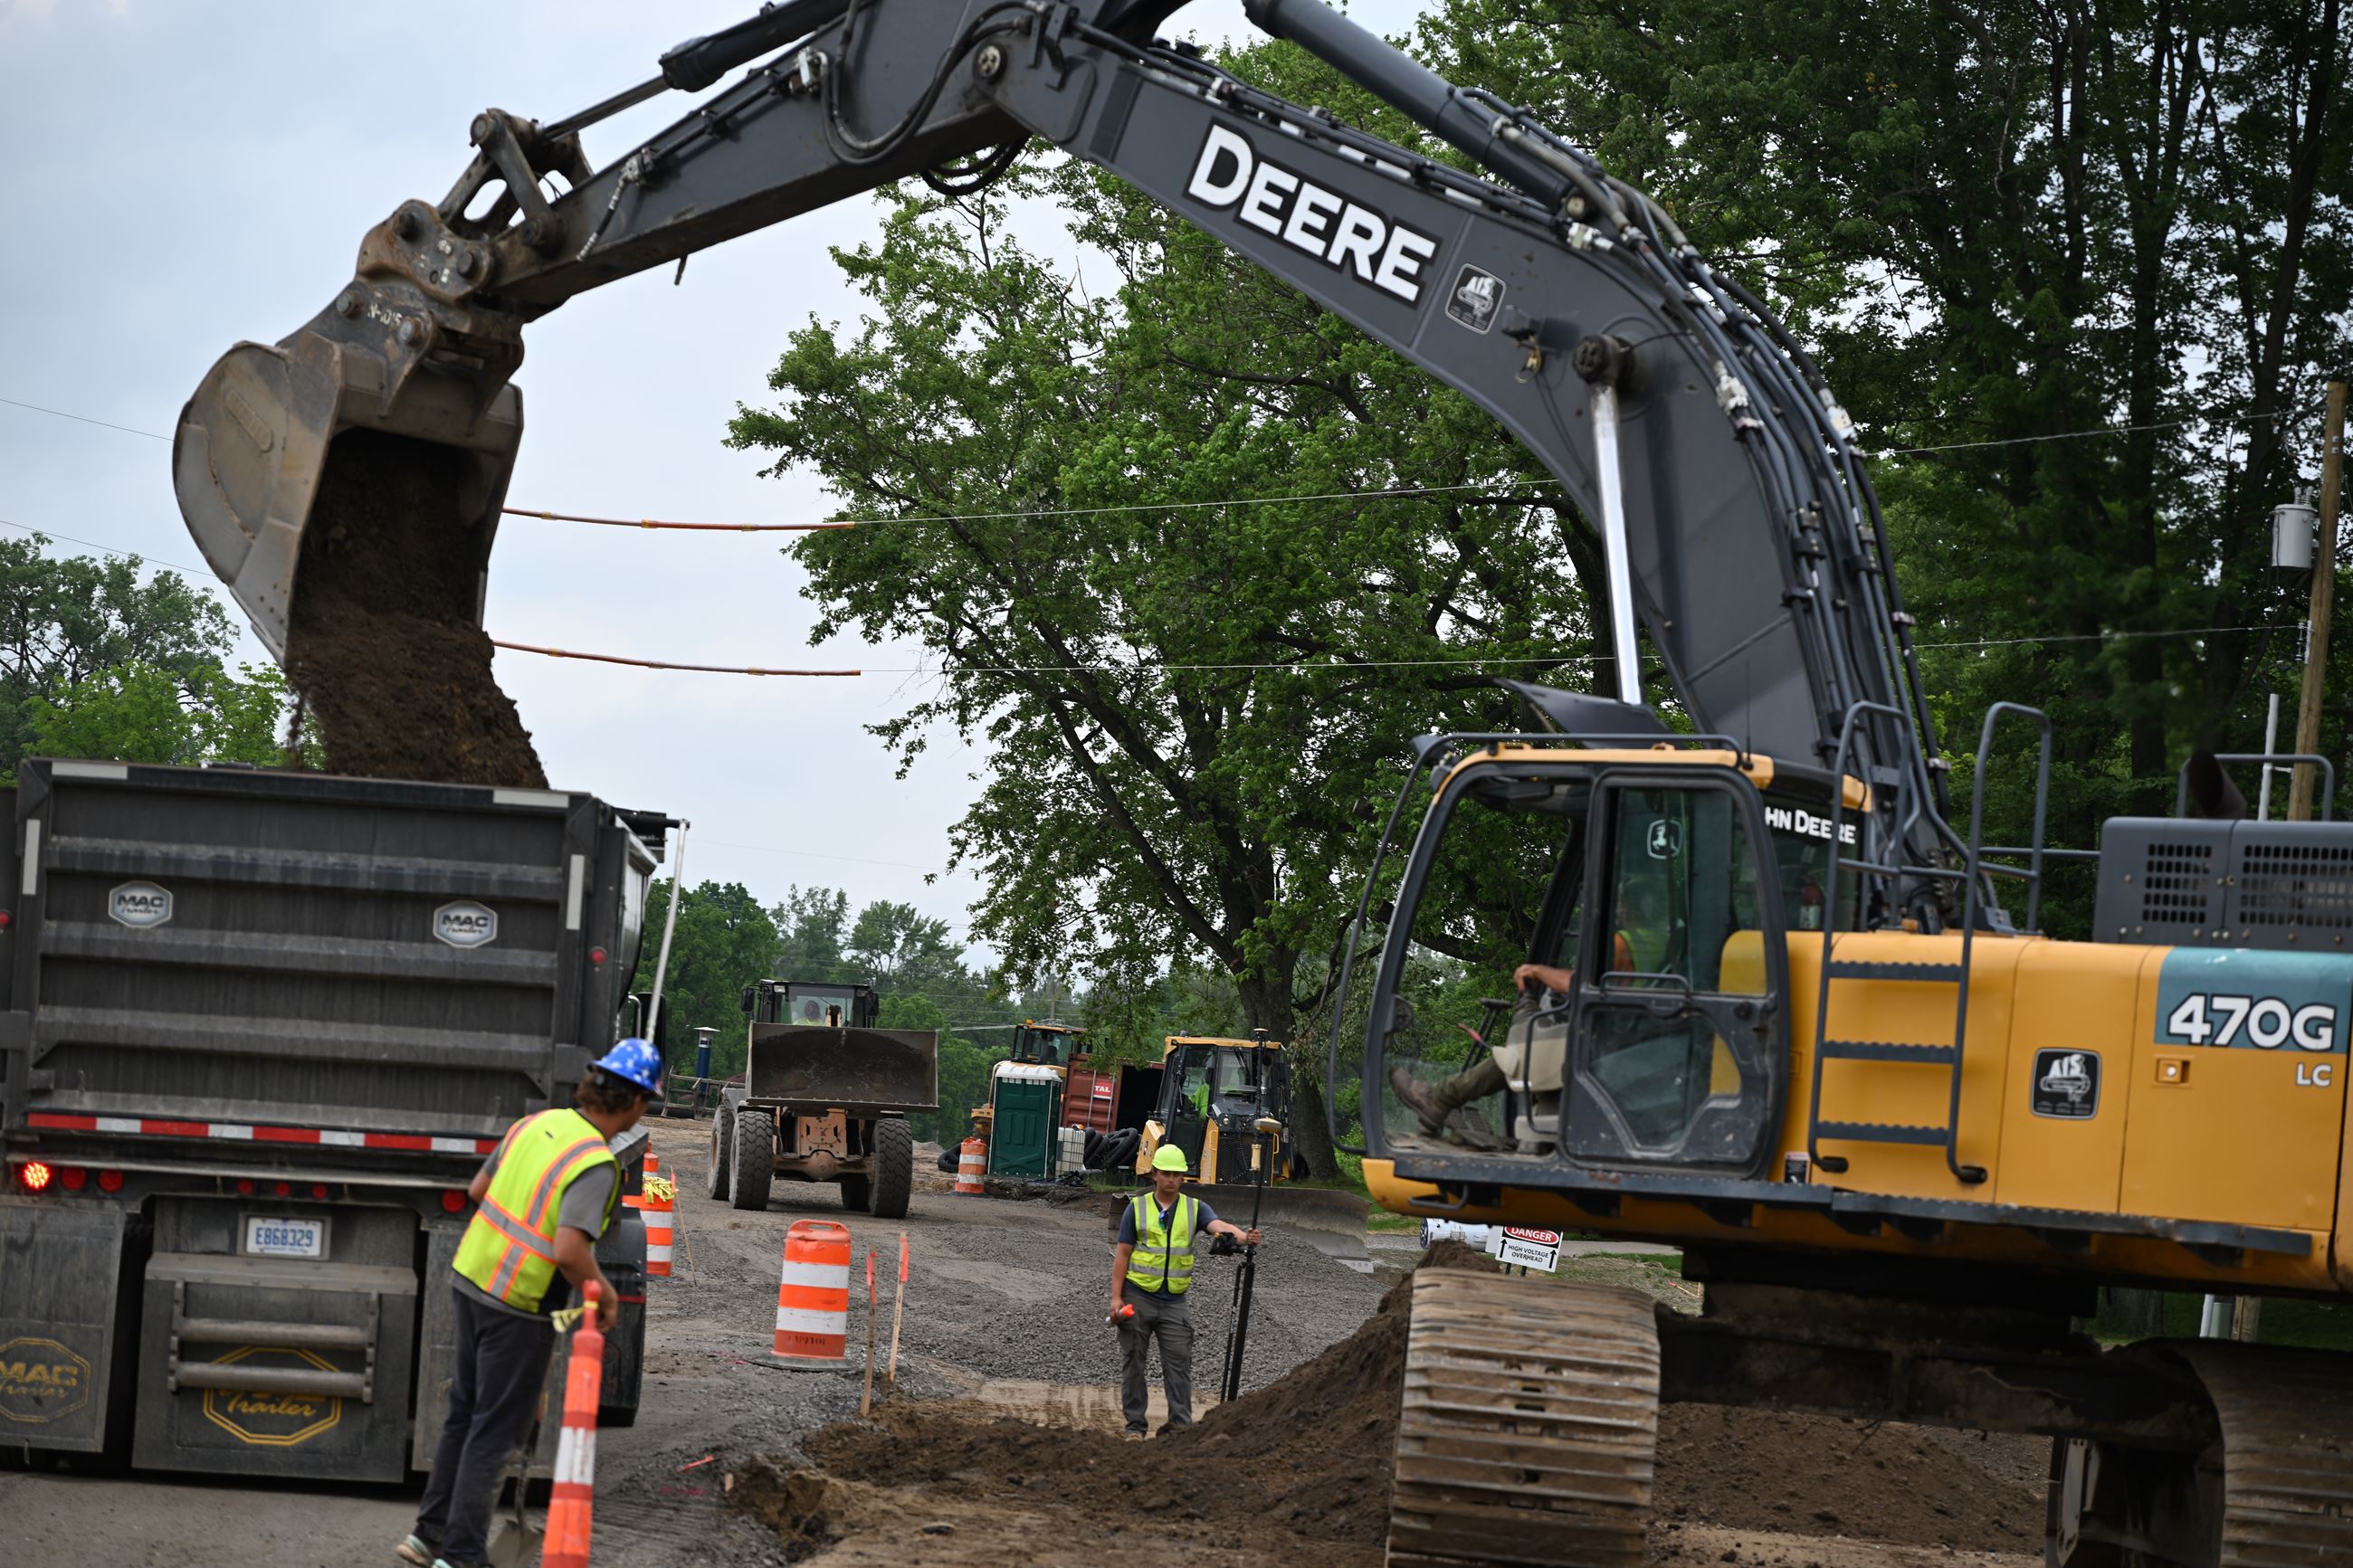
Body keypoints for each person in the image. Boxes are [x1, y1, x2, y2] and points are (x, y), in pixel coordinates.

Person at [395, 1039, 660, 1568]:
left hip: (471, 1278)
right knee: (494, 1433)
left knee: (463, 1416)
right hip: (518, 1303)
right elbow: (568, 1250)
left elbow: (478, 1190)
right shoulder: (594, 1162)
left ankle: (430, 1536)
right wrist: (604, 1292)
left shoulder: (534, 1125)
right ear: (634, 1105)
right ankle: (464, 1556)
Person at [1390, 873, 1675, 1145]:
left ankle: (1438, 1098)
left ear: (1628, 906)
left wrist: (1537, 971)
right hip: (1643, 1040)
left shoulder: (1624, 942)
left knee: (1520, 1056)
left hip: (1612, 1044)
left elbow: (1581, 985)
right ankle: (1441, 1100)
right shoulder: (1665, 943)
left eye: (1622, 903)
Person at [1108, 1144, 1262, 1440]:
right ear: (1154, 1174)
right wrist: (1116, 1297)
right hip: (1137, 1297)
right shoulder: (1137, 1208)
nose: (1171, 1179)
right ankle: (1135, 1429)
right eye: (1166, 1173)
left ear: (1182, 1178)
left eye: (1177, 1175)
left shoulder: (1194, 1208)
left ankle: (1180, 1430)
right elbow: (1123, 1255)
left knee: (1178, 1366)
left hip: (1173, 1303)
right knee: (1134, 1365)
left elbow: (1217, 1225)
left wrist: (1243, 1237)